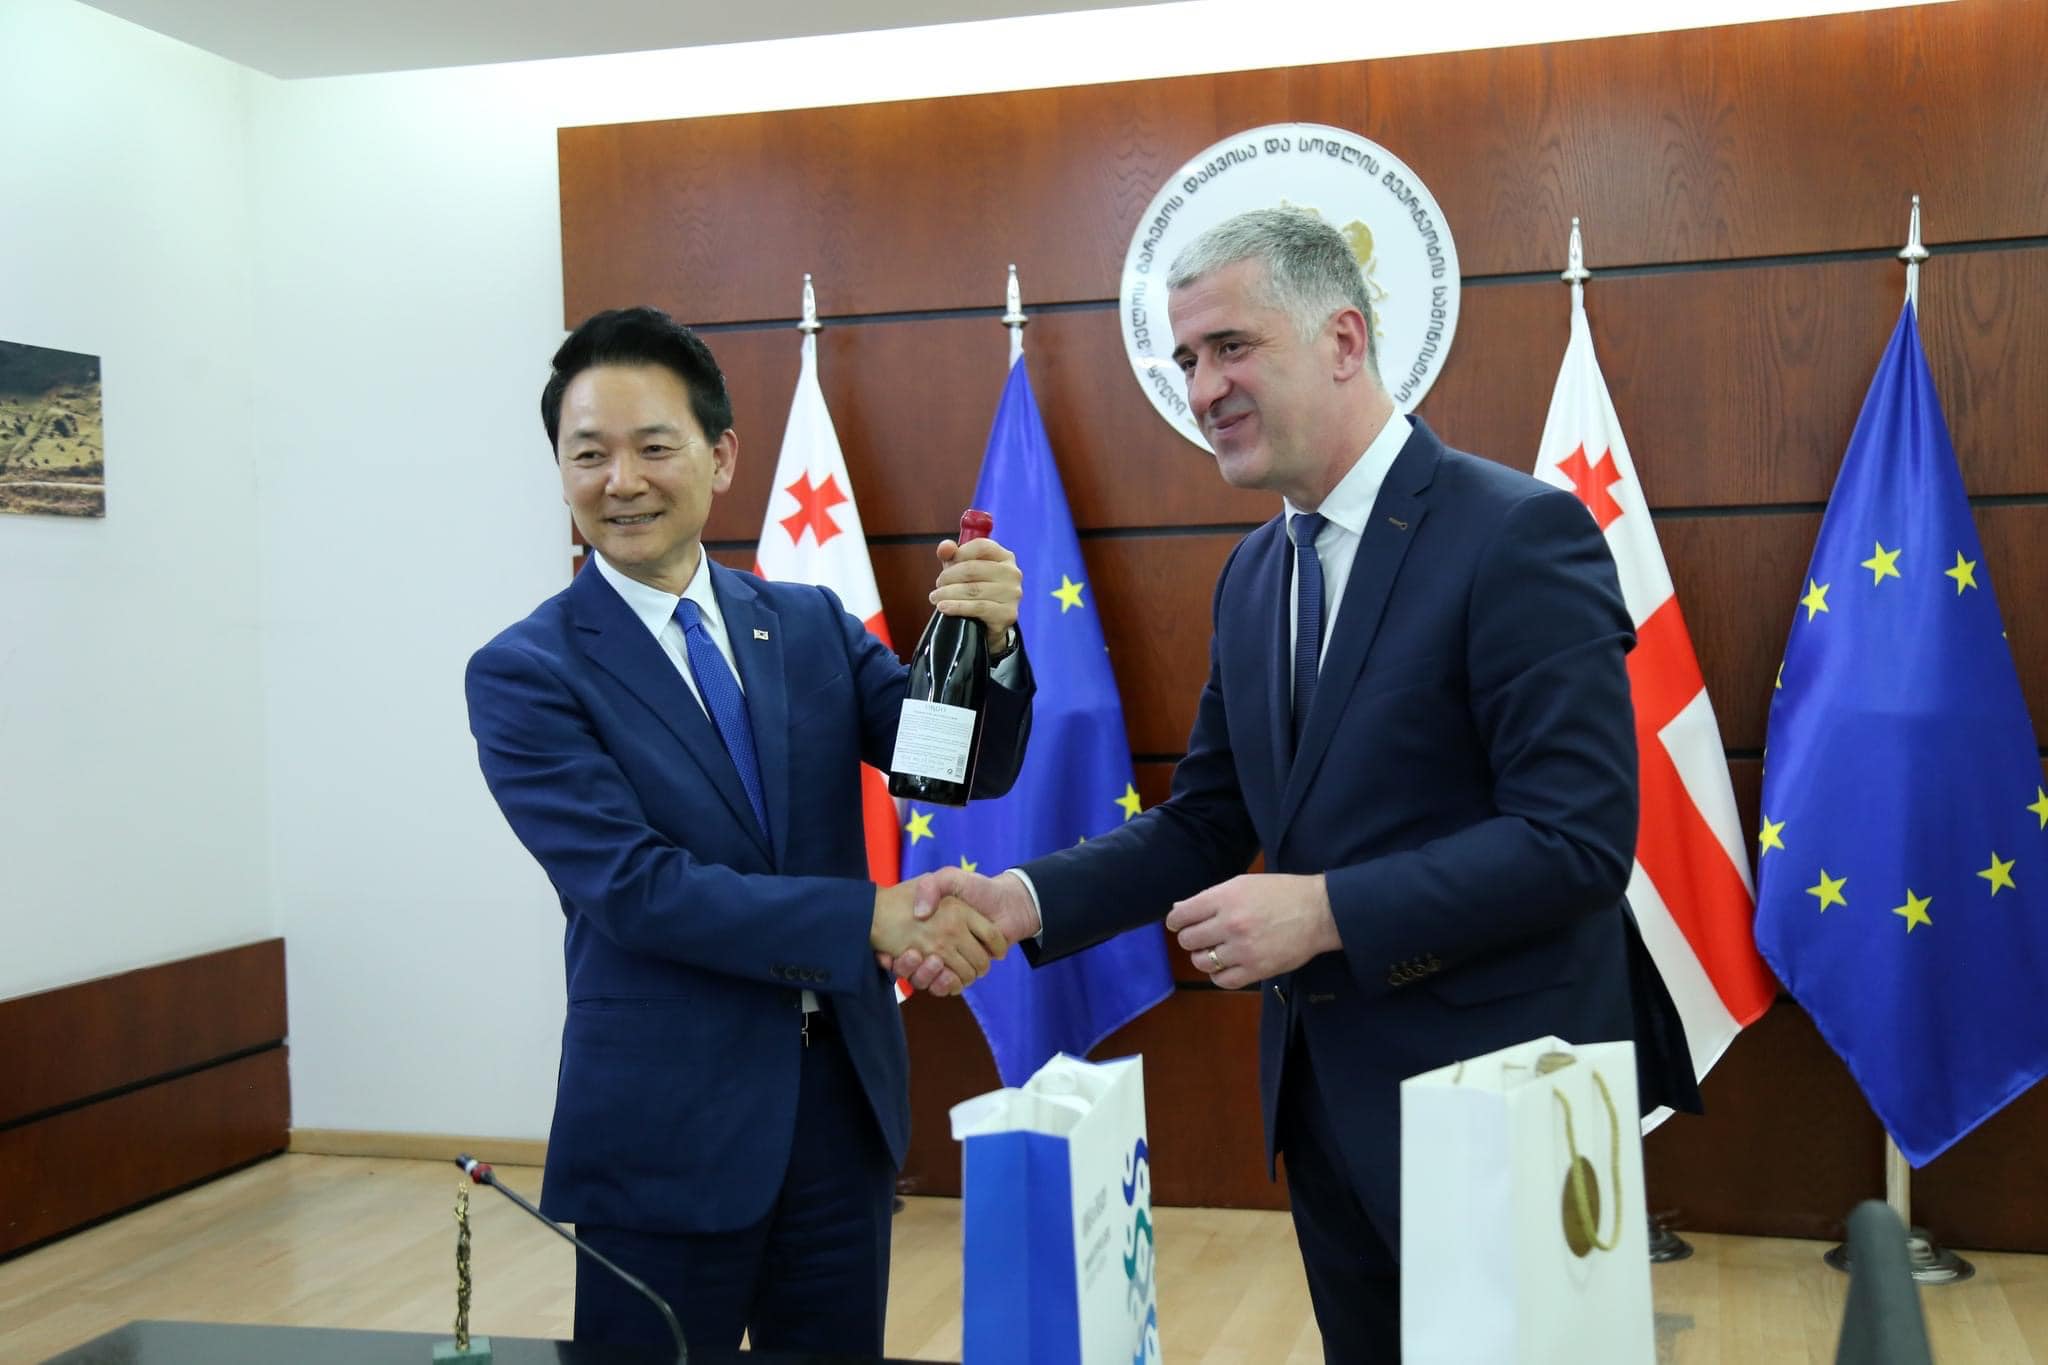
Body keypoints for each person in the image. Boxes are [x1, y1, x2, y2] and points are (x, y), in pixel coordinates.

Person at [896, 208, 1697, 1361]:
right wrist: (1020, 900)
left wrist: (1322, 911)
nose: (1200, 387)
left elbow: (1573, 844)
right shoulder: (1252, 572)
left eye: (1230, 346)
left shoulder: (1518, 533)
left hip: (1505, 1104)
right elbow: (1209, 820)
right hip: (1324, 1108)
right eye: (1184, 358)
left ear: (1341, 340)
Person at [465, 306, 1033, 1355]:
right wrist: (870, 917)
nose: (620, 481)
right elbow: (636, 889)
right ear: (560, 471)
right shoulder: (526, 673)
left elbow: (948, 768)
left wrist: (990, 644)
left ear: (721, 457)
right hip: (664, 1130)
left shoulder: (807, 623)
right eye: (588, 454)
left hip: (840, 1111)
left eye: (653, 447)